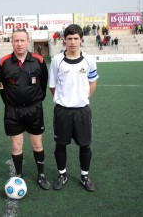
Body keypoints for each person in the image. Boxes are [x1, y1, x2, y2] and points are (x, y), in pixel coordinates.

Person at [48, 24, 99, 192]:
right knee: (60, 145)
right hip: (62, 111)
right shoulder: (57, 60)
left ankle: (84, 176)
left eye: (76, 38)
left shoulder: (89, 60)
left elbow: (93, 83)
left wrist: (83, 98)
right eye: (69, 38)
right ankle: (62, 174)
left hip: (82, 111)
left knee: (85, 145)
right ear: (64, 40)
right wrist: (62, 100)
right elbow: (53, 86)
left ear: (81, 39)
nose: (72, 42)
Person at [0, 29, 50, 190]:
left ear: (28, 42)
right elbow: (1, 87)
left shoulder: (38, 60)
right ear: (12, 42)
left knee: (37, 144)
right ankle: (19, 176)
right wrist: (11, 102)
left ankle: (41, 175)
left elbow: (43, 84)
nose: (19, 44)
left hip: (34, 109)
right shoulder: (3, 62)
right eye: (16, 40)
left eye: (22, 40)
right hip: (13, 111)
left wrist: (35, 101)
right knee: (16, 145)